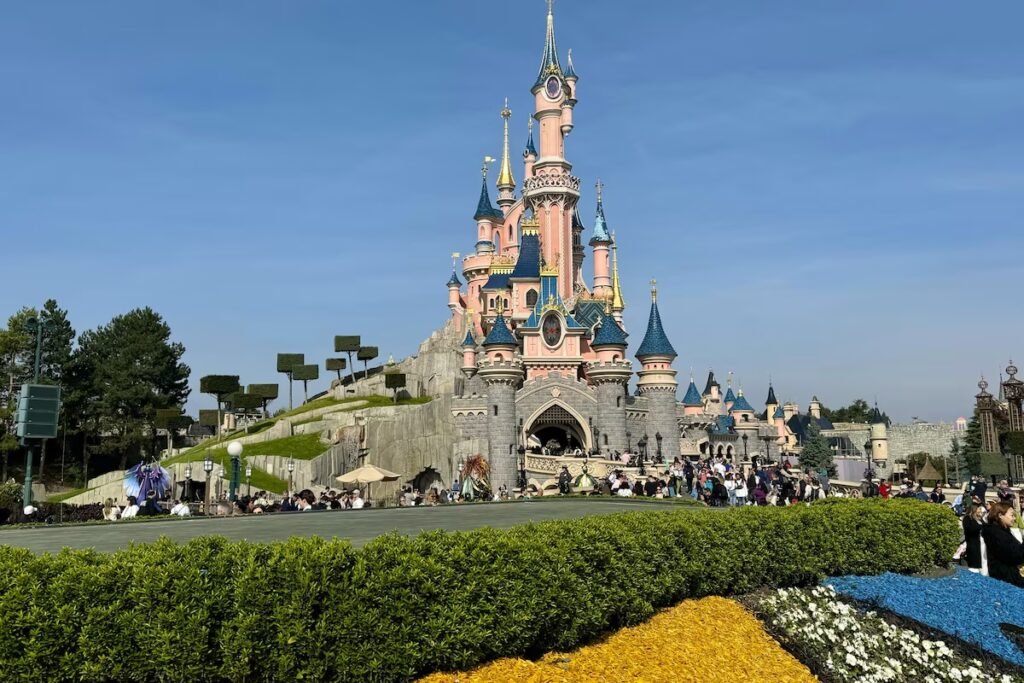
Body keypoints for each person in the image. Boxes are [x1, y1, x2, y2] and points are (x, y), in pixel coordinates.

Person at [981, 501, 1024, 587]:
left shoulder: (1002, 531)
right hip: (1007, 580)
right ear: (1000, 515)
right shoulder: (996, 534)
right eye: (1012, 515)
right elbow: (1015, 556)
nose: (1014, 518)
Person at [962, 502, 986, 575]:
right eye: (978, 509)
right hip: (973, 542)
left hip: (981, 543)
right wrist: (980, 527)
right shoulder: (967, 518)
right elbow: (970, 529)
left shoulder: (979, 519)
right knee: (974, 563)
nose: (980, 511)